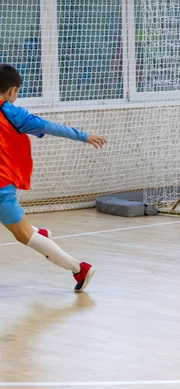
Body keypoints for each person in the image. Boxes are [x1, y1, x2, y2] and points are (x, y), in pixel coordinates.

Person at [0, 64, 106, 292]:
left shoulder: (10, 114)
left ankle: (79, 268)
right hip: (3, 185)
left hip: (2, 187)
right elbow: (50, 127)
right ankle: (38, 233)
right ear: (11, 90)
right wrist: (84, 136)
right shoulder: (12, 111)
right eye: (17, 92)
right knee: (26, 233)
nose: (16, 96)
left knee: (24, 236)